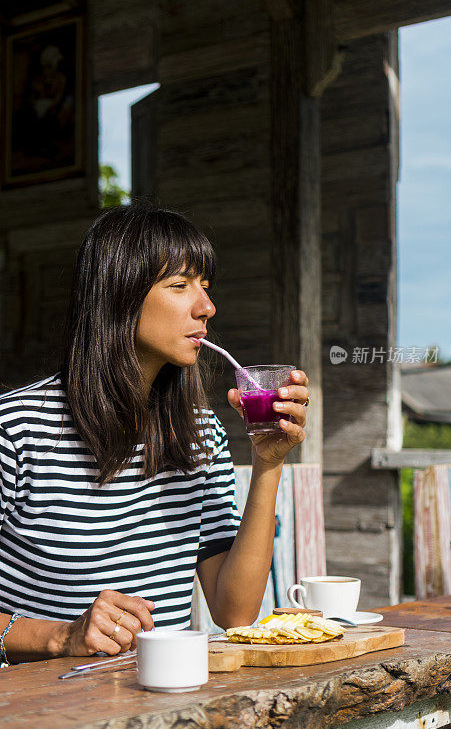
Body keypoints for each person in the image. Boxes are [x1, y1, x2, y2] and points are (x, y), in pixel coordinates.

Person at [0, 202, 309, 665]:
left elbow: (235, 612)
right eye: (180, 285)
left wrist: (269, 462)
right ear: (119, 296)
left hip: (167, 700)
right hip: (42, 718)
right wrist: (62, 637)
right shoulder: (17, 429)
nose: (207, 306)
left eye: (205, 286)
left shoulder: (201, 435)